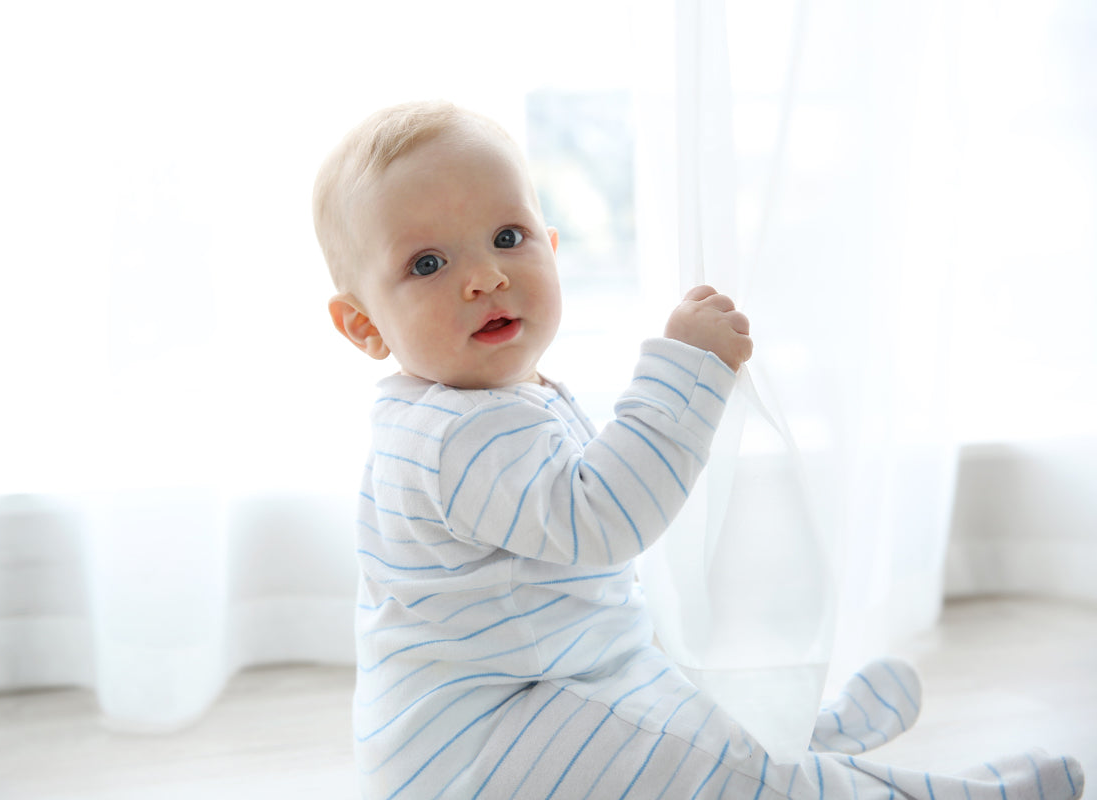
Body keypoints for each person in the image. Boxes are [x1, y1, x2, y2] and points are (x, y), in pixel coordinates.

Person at [312, 100, 1084, 799]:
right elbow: (602, 519)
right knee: (721, 772)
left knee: (680, 709)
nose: (484, 277)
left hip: (525, 702)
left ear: (550, 245)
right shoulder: (457, 435)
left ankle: (788, 741)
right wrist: (686, 370)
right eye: (428, 264)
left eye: (507, 238)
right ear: (364, 326)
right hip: (489, 748)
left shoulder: (461, 406)